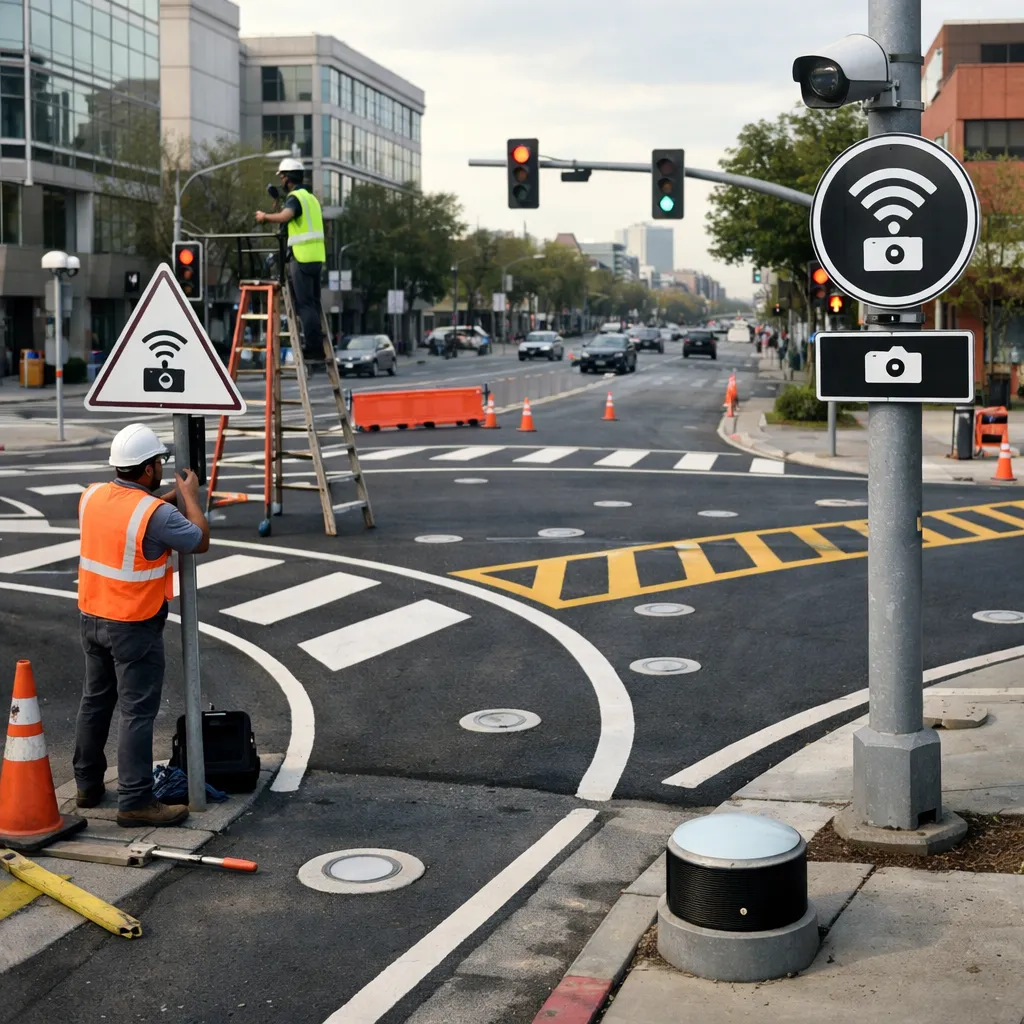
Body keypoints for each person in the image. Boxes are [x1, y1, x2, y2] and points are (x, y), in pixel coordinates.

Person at [74, 423, 210, 827]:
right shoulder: (155, 513)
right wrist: (188, 496)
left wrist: (170, 501)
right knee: (136, 711)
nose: (161, 468)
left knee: (95, 700)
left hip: (92, 616)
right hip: (133, 624)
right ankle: (134, 800)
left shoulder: (93, 496)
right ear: (149, 468)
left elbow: (137, 513)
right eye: (159, 463)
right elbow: (199, 538)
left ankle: (86, 785)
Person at [255, 157, 326, 365]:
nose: (281, 181)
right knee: (312, 303)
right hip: (316, 258)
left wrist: (265, 216)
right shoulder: (310, 198)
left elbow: (286, 216)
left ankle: (313, 349)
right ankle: (317, 344)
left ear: (288, 178)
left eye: (282, 177)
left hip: (301, 257)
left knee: (304, 305)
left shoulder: (295, 198)